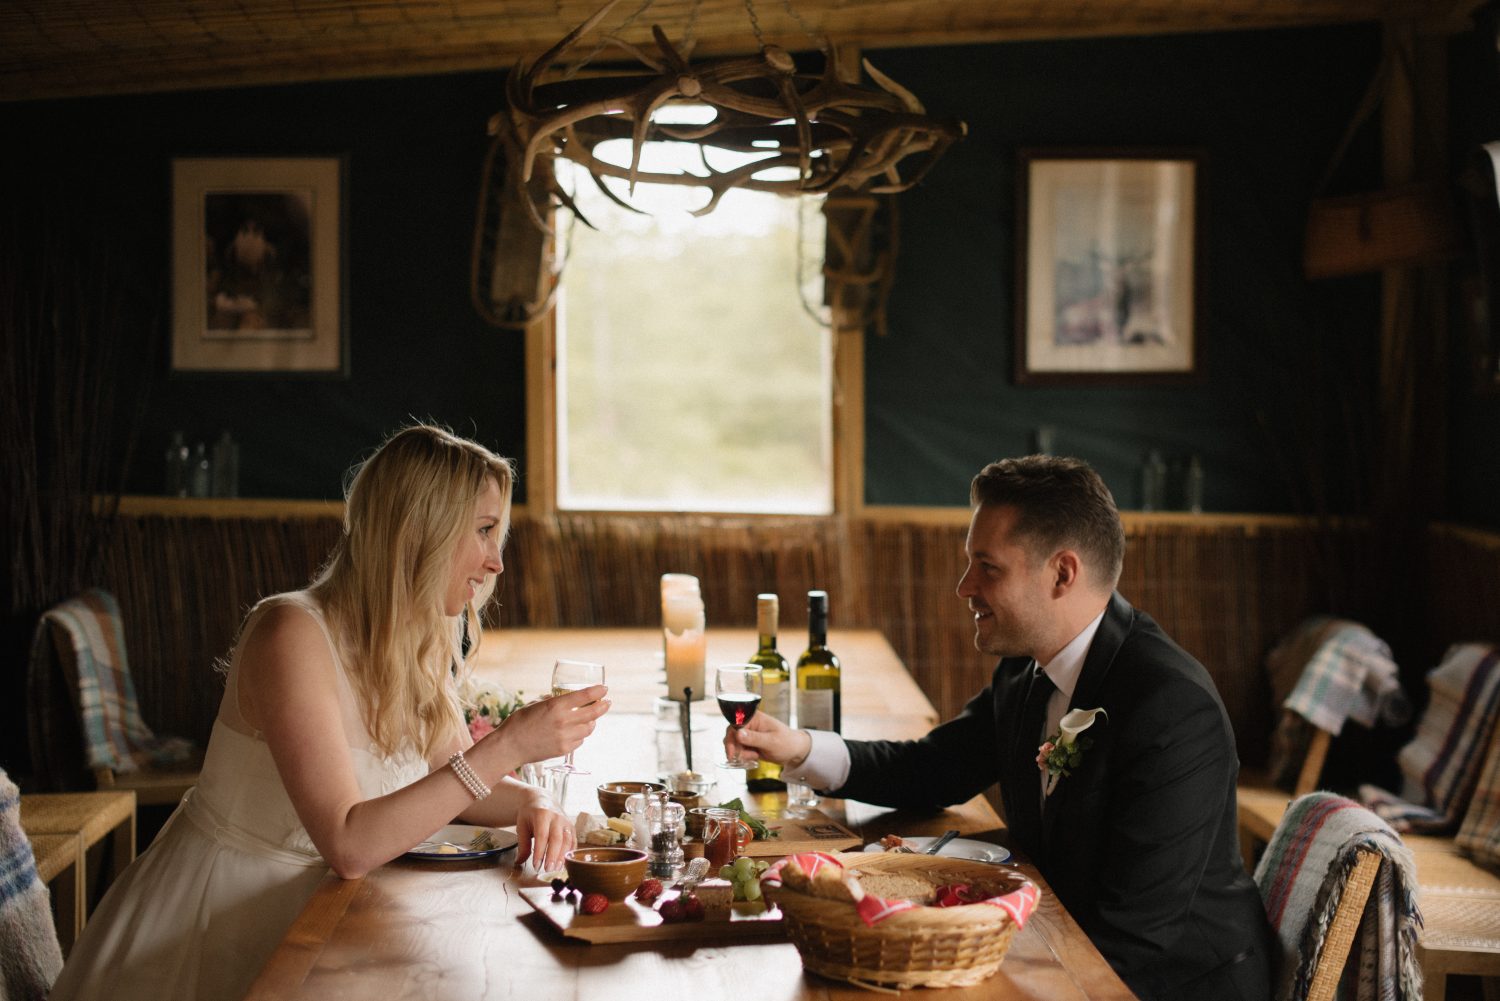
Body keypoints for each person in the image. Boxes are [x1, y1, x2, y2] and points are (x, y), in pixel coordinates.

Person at [50, 425, 609, 1001]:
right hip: (221, 920)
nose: (495, 563)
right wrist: (510, 745)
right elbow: (348, 845)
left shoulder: (420, 636)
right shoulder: (289, 632)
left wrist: (533, 800)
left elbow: (454, 773)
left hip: (344, 912)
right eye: (484, 531)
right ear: (419, 528)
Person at [728, 455, 1272, 1001]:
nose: (965, 586)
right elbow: (934, 769)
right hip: (1064, 945)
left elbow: (1136, 935)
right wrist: (797, 749)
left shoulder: (1172, 708)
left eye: (988, 567)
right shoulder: (1026, 668)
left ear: (1062, 573)